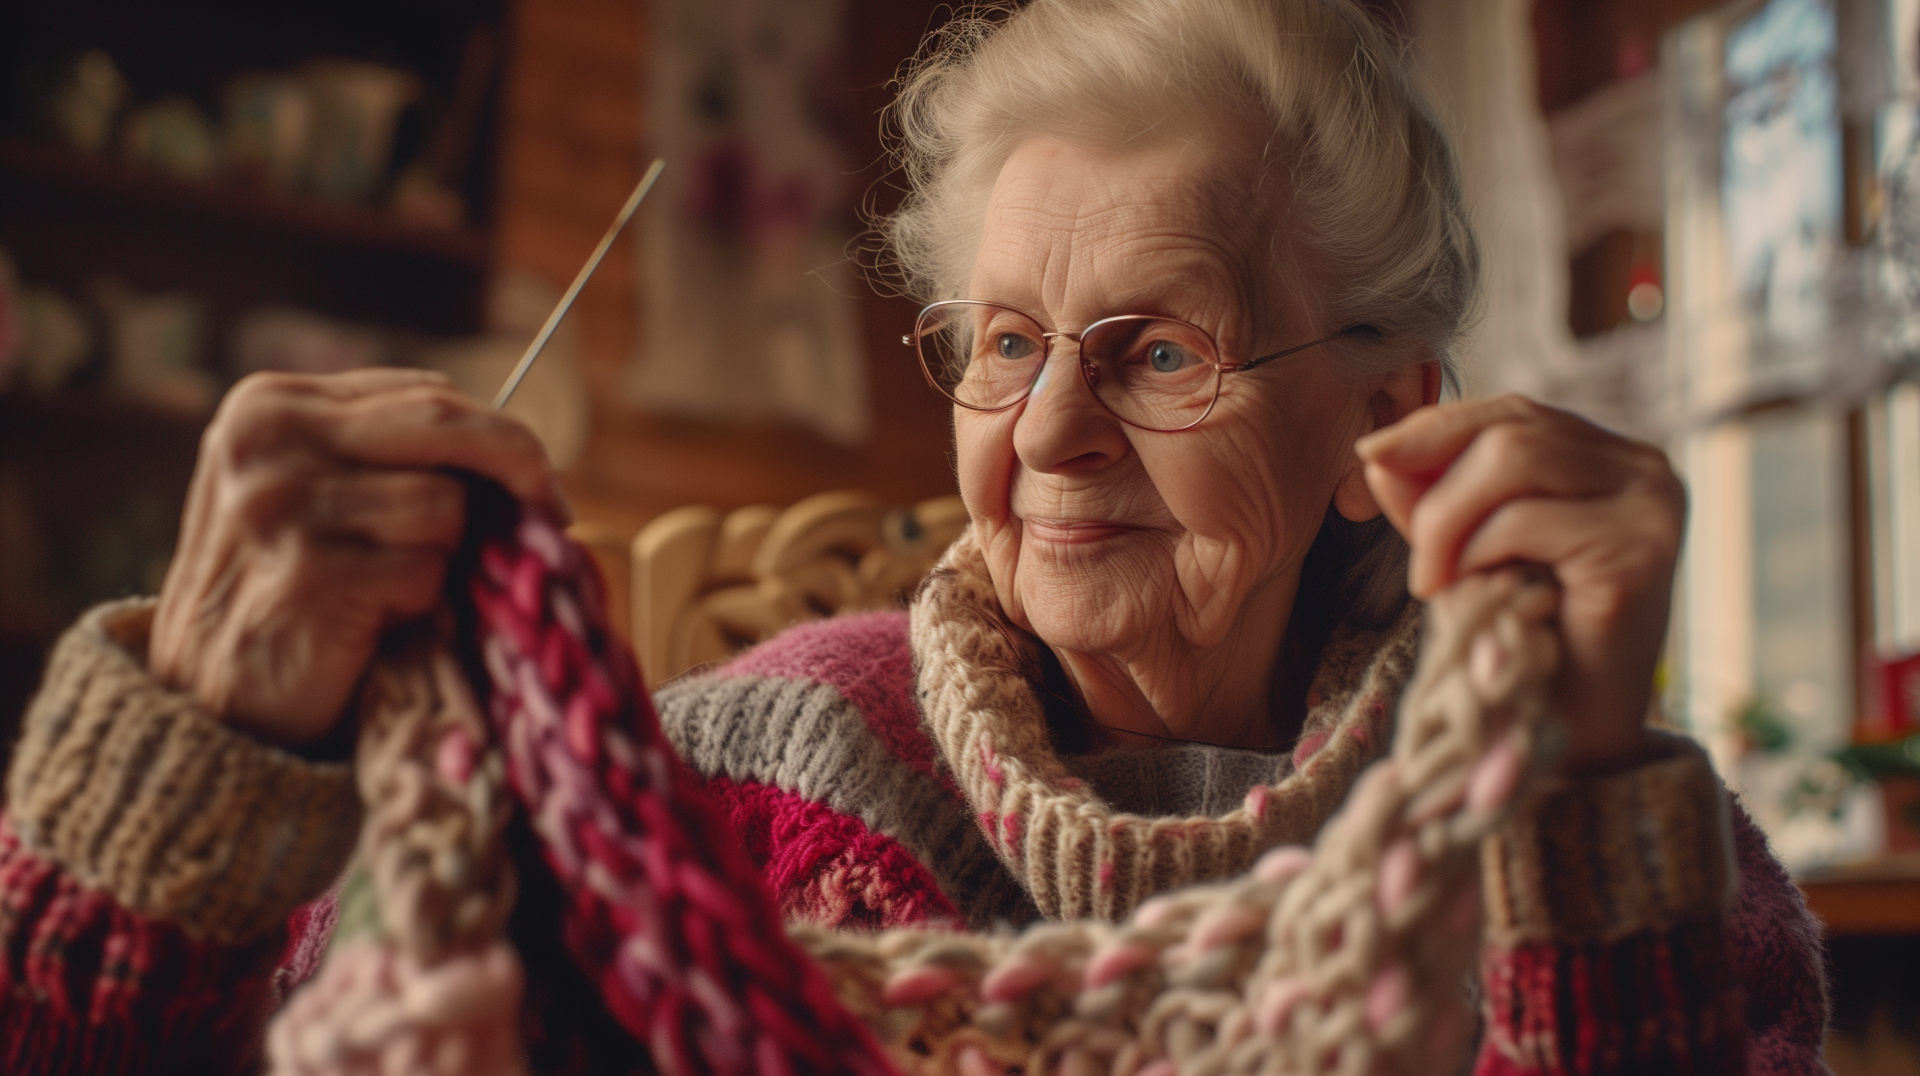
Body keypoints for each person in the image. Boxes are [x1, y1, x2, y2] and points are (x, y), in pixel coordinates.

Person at [0, 0, 1827, 1073]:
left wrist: (1582, 834)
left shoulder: (1606, 825)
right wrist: (192, 755)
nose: (1043, 429)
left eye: (1157, 349)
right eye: (1008, 344)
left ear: (1381, 421)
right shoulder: (713, 783)